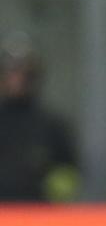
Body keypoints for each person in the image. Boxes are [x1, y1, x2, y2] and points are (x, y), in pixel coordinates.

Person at [0, 34, 79, 203]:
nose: (16, 80)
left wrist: (54, 196)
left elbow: (68, 170)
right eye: (10, 72)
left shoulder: (52, 127)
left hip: (38, 212)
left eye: (23, 73)